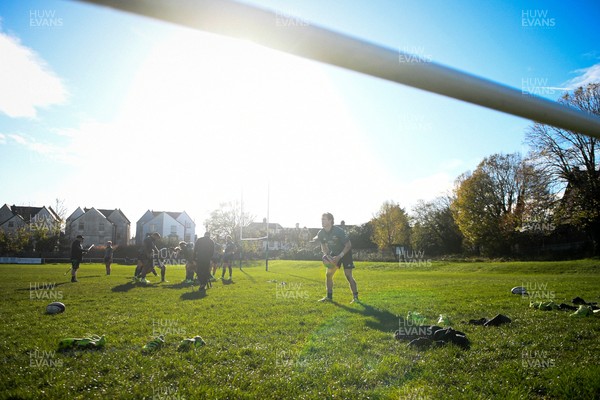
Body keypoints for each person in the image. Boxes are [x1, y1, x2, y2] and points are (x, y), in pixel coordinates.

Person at [317, 212, 359, 303]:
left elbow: (348, 245)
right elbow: (323, 246)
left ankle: (356, 298)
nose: (322, 221)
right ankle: (329, 297)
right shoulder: (321, 233)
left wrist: (339, 256)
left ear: (330, 220)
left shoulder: (338, 231)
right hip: (334, 254)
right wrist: (327, 256)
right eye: (321, 219)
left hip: (345, 253)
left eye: (324, 219)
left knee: (348, 275)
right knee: (328, 275)